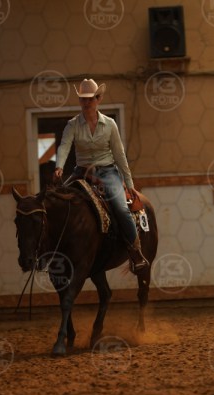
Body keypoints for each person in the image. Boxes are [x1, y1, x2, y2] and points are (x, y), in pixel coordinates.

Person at [53, 78, 149, 272]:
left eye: (90, 99)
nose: (87, 102)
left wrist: (129, 182)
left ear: (98, 99)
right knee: (60, 203)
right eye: (83, 99)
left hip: (107, 172)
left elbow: (119, 155)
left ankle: (135, 252)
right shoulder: (72, 125)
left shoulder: (110, 124)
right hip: (81, 172)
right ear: (80, 101)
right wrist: (59, 166)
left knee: (121, 208)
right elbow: (64, 146)